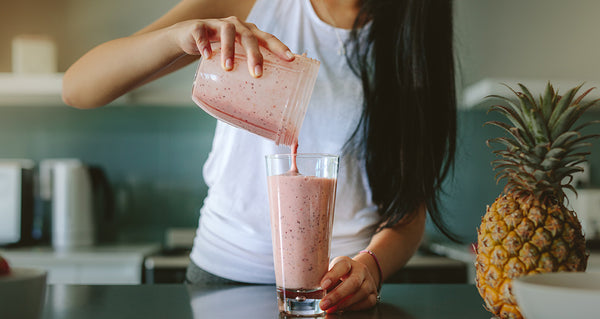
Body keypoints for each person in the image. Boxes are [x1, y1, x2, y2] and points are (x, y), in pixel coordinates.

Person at [62, 0, 457, 313]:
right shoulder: (253, 4)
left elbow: (409, 211)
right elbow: (79, 88)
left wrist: (370, 266)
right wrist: (180, 36)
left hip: (335, 294)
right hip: (221, 282)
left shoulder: (411, 41)